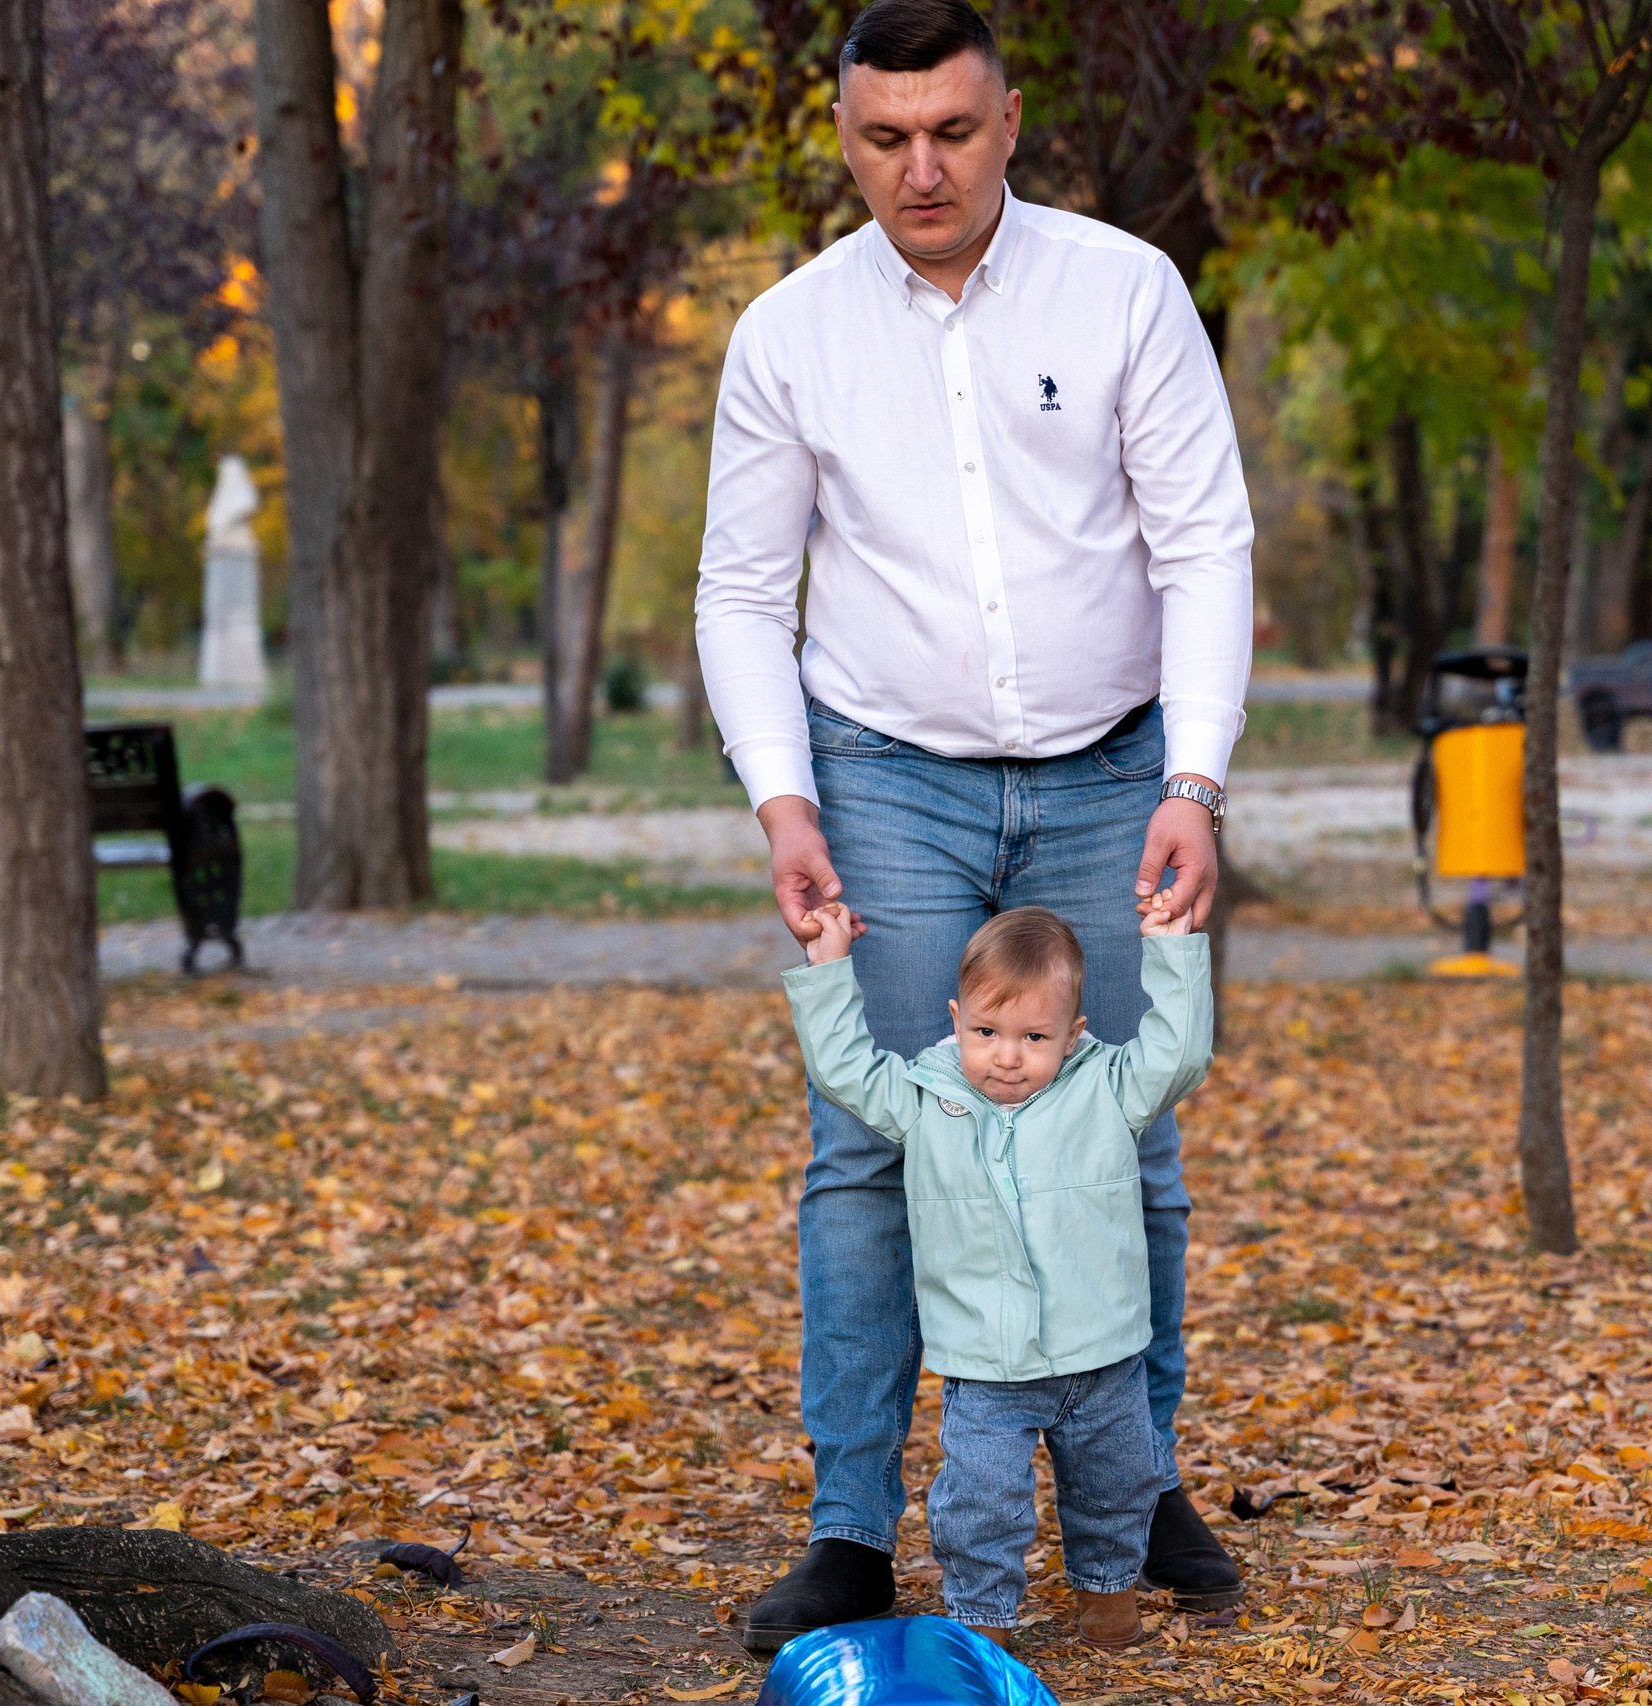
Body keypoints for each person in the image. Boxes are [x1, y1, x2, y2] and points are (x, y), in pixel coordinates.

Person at [692, 0, 1253, 1654]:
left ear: (1009, 121)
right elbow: (740, 591)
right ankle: (853, 1526)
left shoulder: (1126, 290)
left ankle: (1129, 1484)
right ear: (845, 135)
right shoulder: (791, 334)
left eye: (950, 130)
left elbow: (1204, 545)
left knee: (1122, 1138)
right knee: (868, 1146)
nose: (919, 167)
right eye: (884, 138)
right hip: (886, 774)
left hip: (1112, 768)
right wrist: (785, 802)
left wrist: (1194, 779)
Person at [782, 898, 1212, 1649]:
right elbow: (844, 1070)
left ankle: (1108, 1600)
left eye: (1033, 1037)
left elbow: (1178, 1055)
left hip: (1100, 1354)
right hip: (986, 1365)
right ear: (956, 1020)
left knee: (1116, 1487)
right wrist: (827, 967)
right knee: (981, 1501)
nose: (1006, 1056)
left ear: (1073, 1036)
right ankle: (984, 1623)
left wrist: (1174, 956)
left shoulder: (1107, 1091)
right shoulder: (926, 1098)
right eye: (986, 1032)